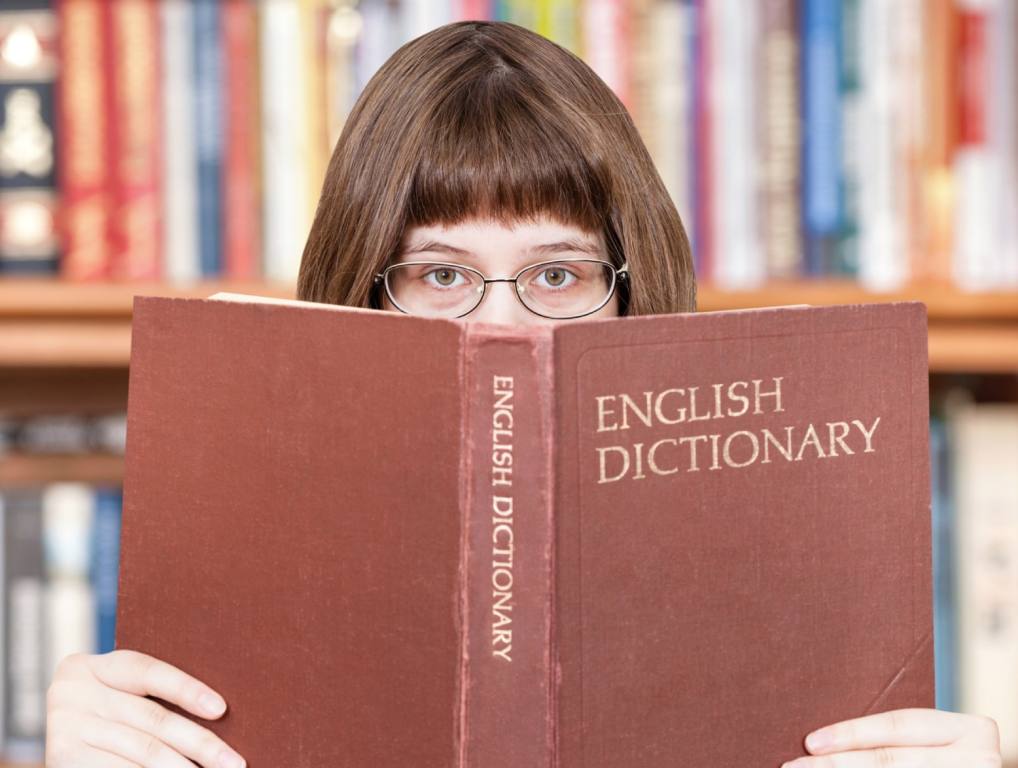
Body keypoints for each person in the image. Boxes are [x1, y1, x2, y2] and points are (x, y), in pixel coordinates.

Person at [45, 19, 1000, 768]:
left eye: (557, 276)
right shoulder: (228, 572)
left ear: (632, 289)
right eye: (440, 275)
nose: (501, 327)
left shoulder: (801, 576)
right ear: (357, 285)